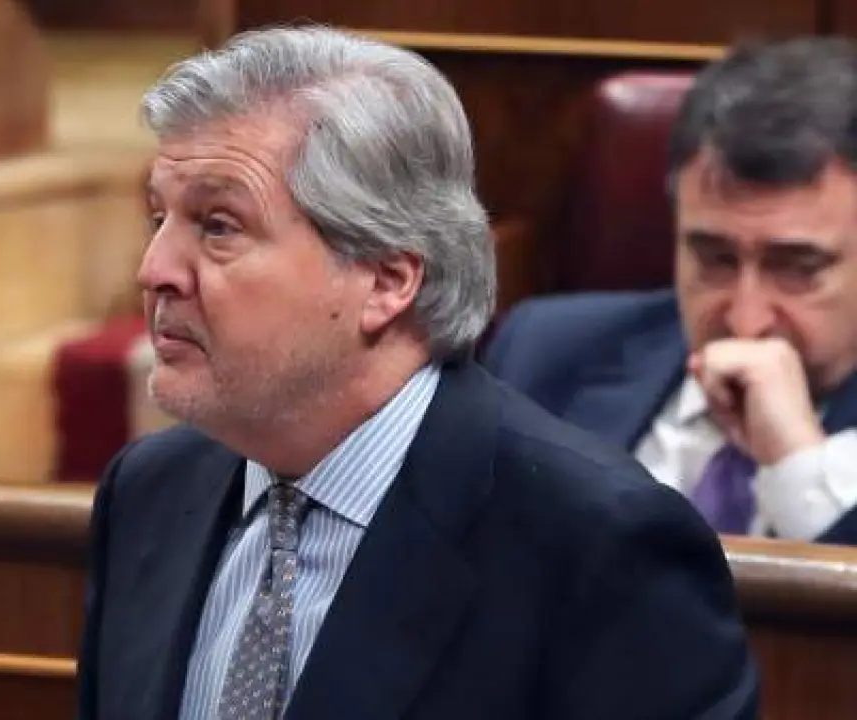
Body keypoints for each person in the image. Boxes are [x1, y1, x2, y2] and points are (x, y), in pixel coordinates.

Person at [76, 26, 757, 720]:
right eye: (158, 218)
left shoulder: (602, 546)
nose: (154, 270)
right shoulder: (148, 492)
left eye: (218, 226)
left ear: (387, 281)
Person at [484, 37, 857, 545]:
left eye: (798, 268)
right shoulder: (545, 352)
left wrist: (796, 463)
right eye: (714, 259)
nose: (746, 320)